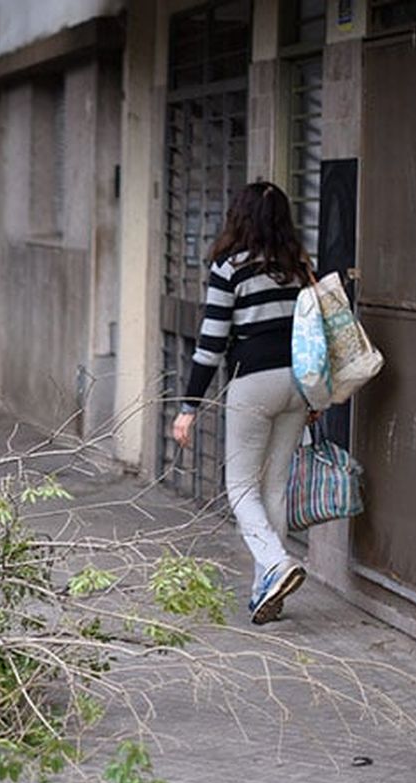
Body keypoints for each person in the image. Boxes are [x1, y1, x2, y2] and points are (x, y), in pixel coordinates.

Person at [172, 181, 314, 625]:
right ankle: (265, 592)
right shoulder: (300, 266)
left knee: (240, 488)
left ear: (240, 217)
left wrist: (188, 406)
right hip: (298, 382)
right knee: (273, 487)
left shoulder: (230, 268)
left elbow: (210, 343)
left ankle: (276, 562)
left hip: (253, 383)